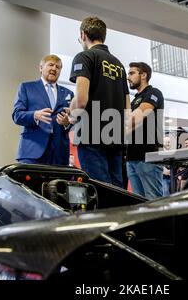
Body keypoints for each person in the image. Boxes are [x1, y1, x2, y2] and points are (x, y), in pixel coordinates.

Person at [68, 16, 129, 187]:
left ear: (83, 34)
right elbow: (127, 108)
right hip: (115, 137)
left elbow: (80, 100)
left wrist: (72, 116)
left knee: (100, 190)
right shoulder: (119, 65)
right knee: (117, 190)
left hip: (91, 136)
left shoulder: (85, 57)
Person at [12, 54, 74, 165]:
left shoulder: (69, 93)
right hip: (32, 151)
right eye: (51, 65)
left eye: (58, 67)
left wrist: (67, 123)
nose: (54, 68)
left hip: (59, 154)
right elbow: (17, 115)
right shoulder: (26, 87)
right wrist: (34, 115)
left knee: (58, 183)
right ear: (41, 68)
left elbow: (74, 119)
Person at [126, 62, 164, 199]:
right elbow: (128, 127)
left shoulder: (154, 93)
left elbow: (138, 117)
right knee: (138, 202)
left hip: (149, 156)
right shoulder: (133, 101)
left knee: (153, 200)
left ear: (143, 75)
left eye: (131, 73)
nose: (128, 77)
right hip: (132, 158)